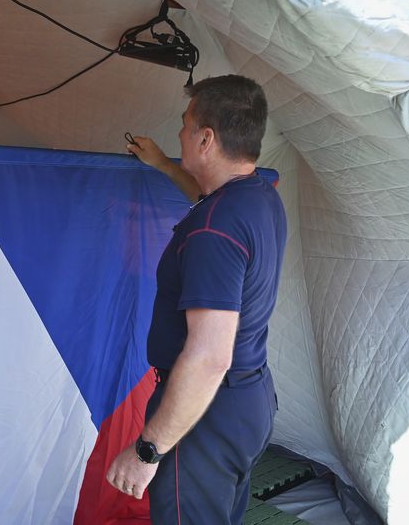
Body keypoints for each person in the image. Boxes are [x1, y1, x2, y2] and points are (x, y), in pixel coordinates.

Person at [106, 75, 287, 525]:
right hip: (249, 398)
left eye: (186, 126)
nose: (180, 135)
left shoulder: (214, 230)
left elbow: (208, 357)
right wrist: (166, 167)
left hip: (205, 415)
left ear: (206, 137)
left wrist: (148, 451)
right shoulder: (258, 197)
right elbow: (208, 200)